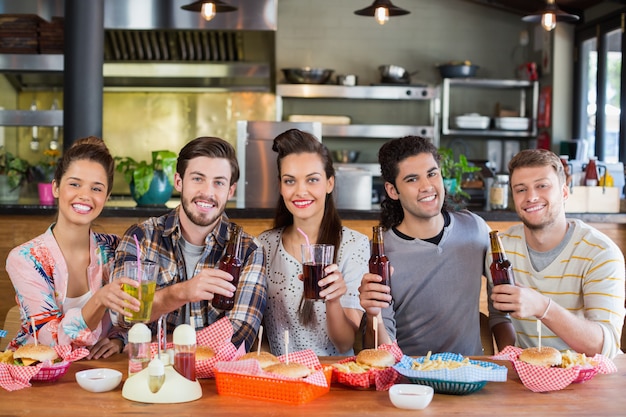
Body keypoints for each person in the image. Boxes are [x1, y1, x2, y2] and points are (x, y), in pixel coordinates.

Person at [110, 136, 267, 350]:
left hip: (213, 381)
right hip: (148, 376)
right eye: (197, 179)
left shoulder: (249, 250)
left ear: (230, 191)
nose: (207, 192)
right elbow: (122, 317)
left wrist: (153, 344)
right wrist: (181, 293)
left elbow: (237, 339)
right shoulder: (141, 237)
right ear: (178, 181)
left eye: (218, 182)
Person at [358, 135, 490, 356]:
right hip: (409, 380)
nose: (427, 186)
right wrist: (374, 315)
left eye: (432, 174)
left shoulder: (475, 229)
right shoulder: (380, 254)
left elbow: (503, 305)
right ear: (392, 191)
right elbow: (379, 351)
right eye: (412, 179)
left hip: (470, 376)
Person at [488, 149, 625, 358]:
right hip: (526, 375)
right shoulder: (502, 249)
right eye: (521, 189)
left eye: (542, 186)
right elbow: (500, 315)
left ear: (564, 193)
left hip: (589, 379)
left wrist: (543, 307)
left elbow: (604, 346)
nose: (531, 197)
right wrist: (513, 356)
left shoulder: (600, 253)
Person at [7, 137, 132, 359]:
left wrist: (118, 338)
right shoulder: (26, 258)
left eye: (97, 188)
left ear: (106, 197)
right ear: (55, 187)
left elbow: (132, 317)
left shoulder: (114, 249)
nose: (85, 195)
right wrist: (98, 300)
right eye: (74, 184)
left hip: (97, 373)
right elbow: (49, 340)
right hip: (38, 376)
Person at [258, 129, 368, 356]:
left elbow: (345, 344)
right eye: (290, 181)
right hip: (281, 378)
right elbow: (261, 334)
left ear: (329, 183)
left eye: (312, 180)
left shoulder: (354, 245)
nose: (300, 191)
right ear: (280, 186)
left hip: (335, 380)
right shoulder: (263, 246)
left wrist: (334, 300)